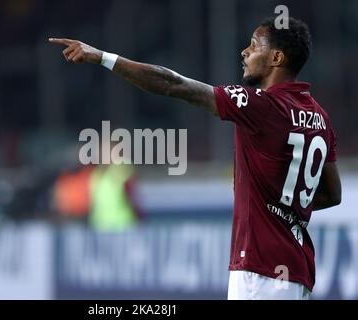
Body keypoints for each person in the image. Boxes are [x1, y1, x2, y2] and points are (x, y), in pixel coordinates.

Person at [49, 17, 342, 300]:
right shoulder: (319, 117)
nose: (245, 52)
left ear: (277, 58)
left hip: (261, 270)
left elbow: (173, 84)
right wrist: (277, 198)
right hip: (297, 269)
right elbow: (332, 194)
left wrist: (102, 57)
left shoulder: (261, 106)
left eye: (254, 45)